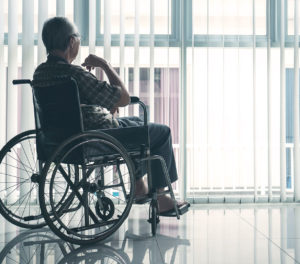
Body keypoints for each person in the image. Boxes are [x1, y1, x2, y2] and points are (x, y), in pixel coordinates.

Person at [33, 17, 188, 215]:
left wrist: (98, 107)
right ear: (72, 41)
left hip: (59, 139)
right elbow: (123, 98)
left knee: (137, 123)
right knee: (161, 132)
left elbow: (69, 107)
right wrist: (104, 65)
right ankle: (161, 197)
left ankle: (139, 186)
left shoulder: (40, 74)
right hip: (94, 138)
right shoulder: (75, 74)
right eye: (78, 38)